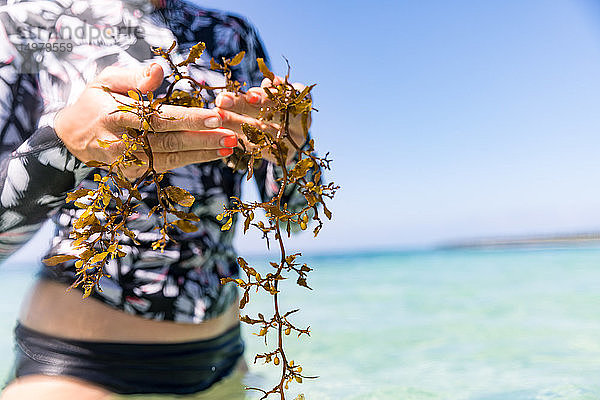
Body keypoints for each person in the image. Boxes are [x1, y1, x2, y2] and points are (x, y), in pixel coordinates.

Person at [0, 0, 313, 398]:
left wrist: (293, 153)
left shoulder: (232, 34)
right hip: (78, 368)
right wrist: (64, 144)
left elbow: (292, 217)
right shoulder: (27, 25)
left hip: (223, 360)